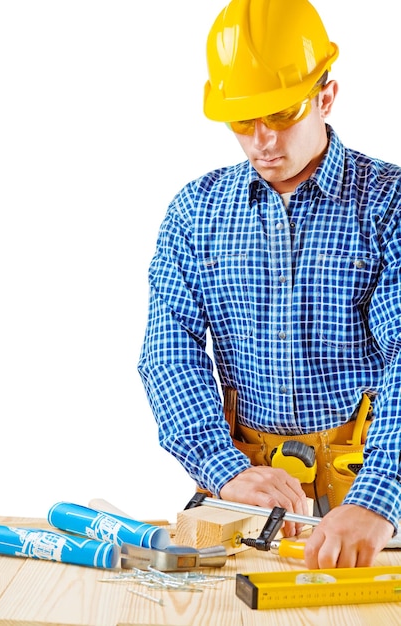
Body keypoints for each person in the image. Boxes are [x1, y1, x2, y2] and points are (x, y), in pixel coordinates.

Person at [138, 0, 401, 569]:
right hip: (248, 494)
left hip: (375, 490)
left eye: (282, 114)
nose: (263, 141)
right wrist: (224, 468)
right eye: (242, 121)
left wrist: (379, 497)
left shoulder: (388, 205)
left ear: (325, 97)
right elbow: (168, 353)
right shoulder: (196, 212)